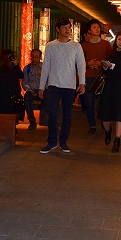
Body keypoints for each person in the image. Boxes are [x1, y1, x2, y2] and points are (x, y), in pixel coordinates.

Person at [39, 17, 86, 154]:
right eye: (64, 27)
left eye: (69, 27)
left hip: (69, 85)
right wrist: (42, 86)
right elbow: (46, 66)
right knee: (52, 113)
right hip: (53, 84)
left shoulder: (76, 46)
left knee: (67, 115)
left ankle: (64, 142)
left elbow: (81, 65)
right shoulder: (51, 46)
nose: (67, 30)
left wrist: (82, 83)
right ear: (57, 29)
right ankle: (52, 142)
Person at [98, 31, 121, 153]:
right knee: (105, 115)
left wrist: (112, 66)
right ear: (116, 40)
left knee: (120, 114)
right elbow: (105, 72)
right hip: (109, 87)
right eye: (119, 39)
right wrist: (105, 66)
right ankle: (108, 131)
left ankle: (117, 140)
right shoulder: (111, 54)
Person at [81, 19, 112, 134]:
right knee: (89, 102)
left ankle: (105, 122)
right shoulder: (84, 45)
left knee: (103, 102)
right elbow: (78, 61)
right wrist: (88, 63)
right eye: (94, 27)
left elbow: (111, 59)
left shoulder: (106, 44)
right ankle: (92, 125)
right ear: (89, 31)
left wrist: (101, 63)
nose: (97, 29)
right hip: (89, 76)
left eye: (98, 27)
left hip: (102, 76)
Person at [22, 49, 44, 130]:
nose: (34, 59)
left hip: (43, 90)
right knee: (27, 98)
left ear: (40, 58)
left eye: (36, 57)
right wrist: (30, 90)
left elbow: (50, 81)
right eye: (33, 57)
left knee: (49, 98)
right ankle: (32, 121)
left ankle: (47, 120)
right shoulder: (27, 68)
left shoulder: (44, 68)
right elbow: (24, 83)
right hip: (32, 90)